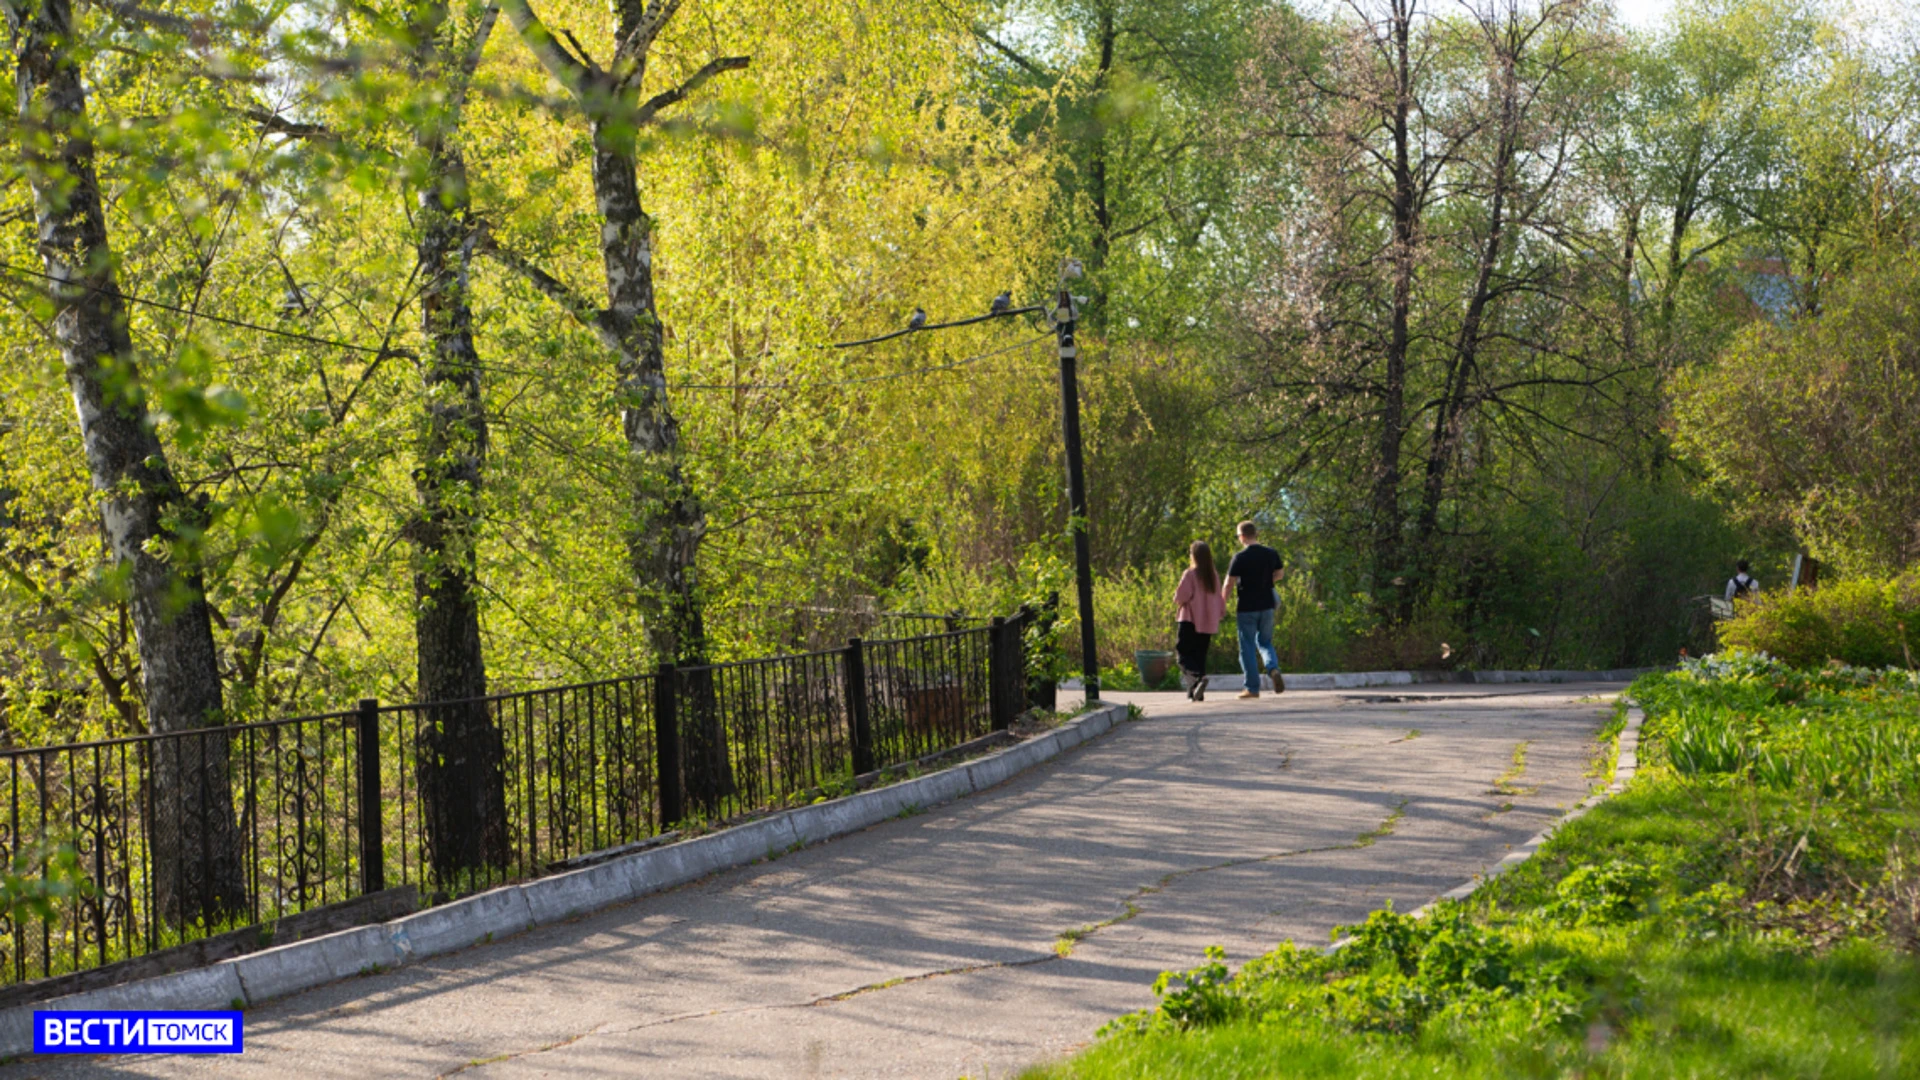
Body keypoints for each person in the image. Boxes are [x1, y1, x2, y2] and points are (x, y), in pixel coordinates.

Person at [1220, 520, 1284, 699]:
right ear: (1256, 533)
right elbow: (1280, 573)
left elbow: (1228, 584)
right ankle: (1273, 669)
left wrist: (1222, 604)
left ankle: (1252, 688)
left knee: (1247, 646)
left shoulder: (1239, 558)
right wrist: (1268, 581)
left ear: (1242, 536)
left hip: (1247, 607)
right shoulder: (1271, 553)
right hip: (1267, 605)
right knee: (1265, 642)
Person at [1173, 541, 1224, 702]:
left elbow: (1181, 597)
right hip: (1207, 622)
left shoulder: (1191, 574)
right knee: (1199, 656)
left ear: (1193, 555)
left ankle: (1196, 680)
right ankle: (1195, 692)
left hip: (1190, 619)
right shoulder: (1213, 575)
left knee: (1183, 654)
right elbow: (1219, 598)